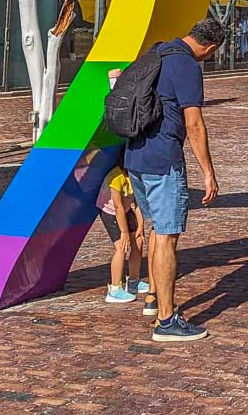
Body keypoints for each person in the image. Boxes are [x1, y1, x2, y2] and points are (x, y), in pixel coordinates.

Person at [125, 17, 225, 344]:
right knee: (167, 235)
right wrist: (208, 172)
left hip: (135, 156)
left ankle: (153, 298)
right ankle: (166, 321)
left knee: (156, 228)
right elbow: (194, 124)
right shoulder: (187, 66)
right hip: (164, 159)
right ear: (209, 48)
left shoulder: (157, 53)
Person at [96, 157, 148, 305]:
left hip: (126, 209)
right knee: (121, 247)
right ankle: (114, 289)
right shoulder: (116, 177)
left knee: (138, 241)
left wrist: (140, 227)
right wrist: (124, 233)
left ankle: (133, 281)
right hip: (111, 212)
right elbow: (118, 207)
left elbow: (138, 203)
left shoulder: (137, 176)